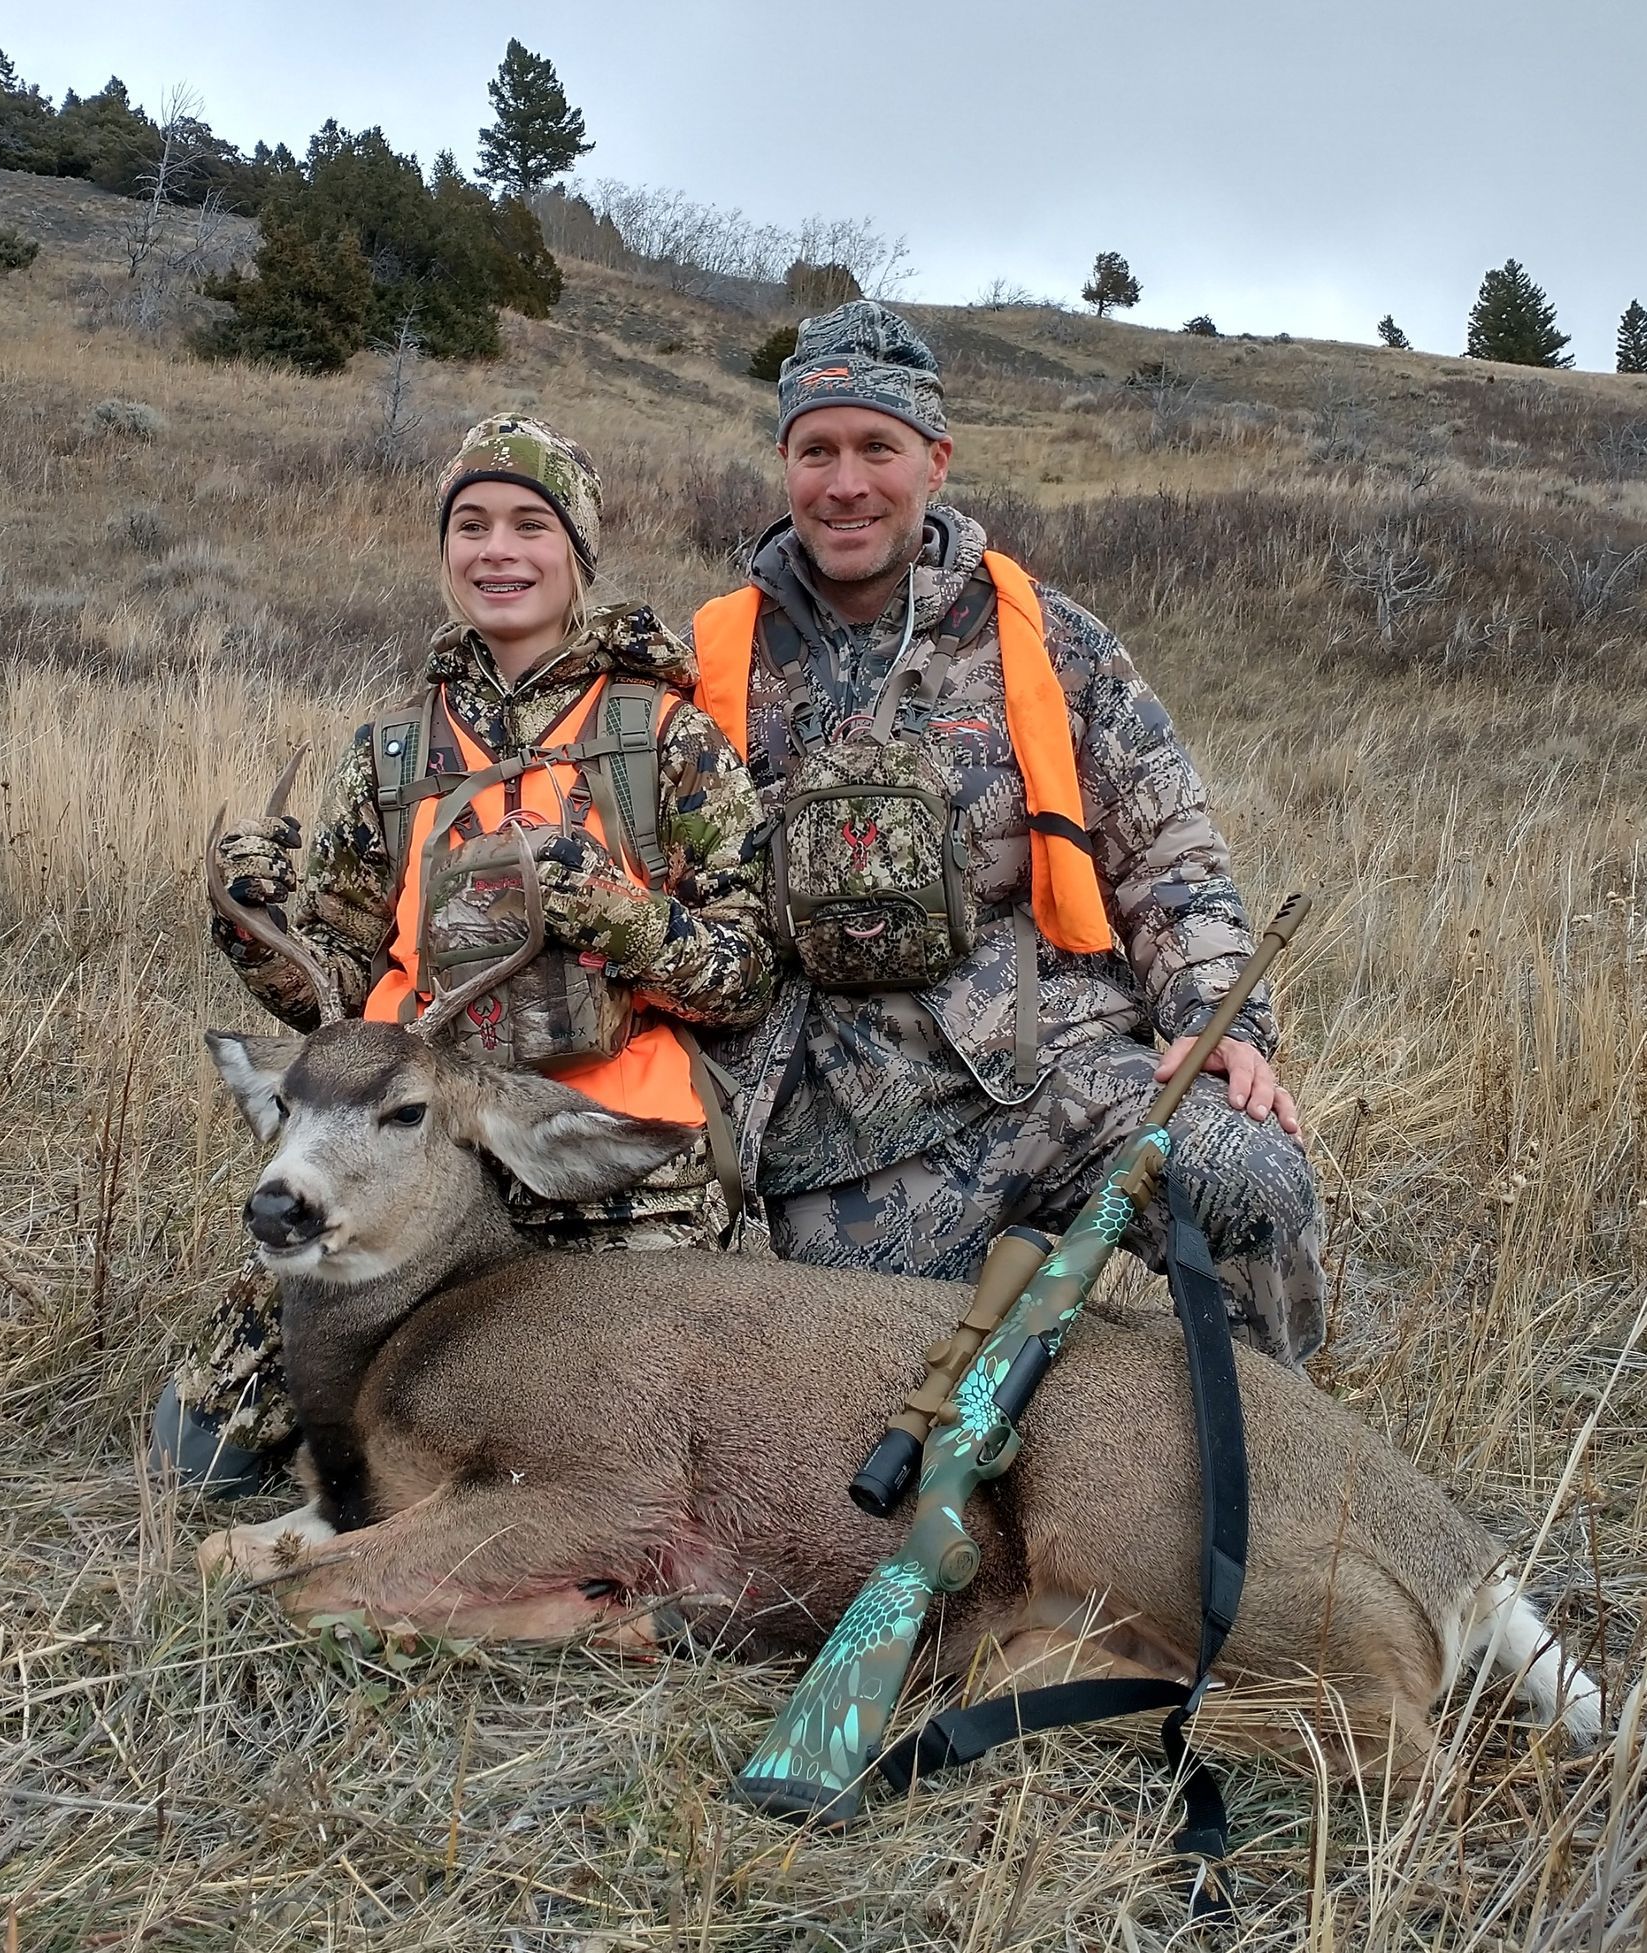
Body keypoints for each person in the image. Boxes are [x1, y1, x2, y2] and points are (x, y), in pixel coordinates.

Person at [688, 302, 1325, 1365]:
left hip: (1056, 1077)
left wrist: (1222, 1029)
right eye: (817, 451)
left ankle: (1272, 1471)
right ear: (786, 464)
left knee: (1251, 1175)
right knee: (855, 1418)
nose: (845, 483)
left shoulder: (1052, 641)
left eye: (876, 448)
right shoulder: (707, 658)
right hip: (827, 1127)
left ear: (935, 461)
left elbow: (1170, 853)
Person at [155, 415, 775, 1489]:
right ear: (446, 554)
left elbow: (747, 973)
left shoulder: (664, 738)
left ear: (576, 556)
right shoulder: (393, 753)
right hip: (408, 1144)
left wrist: (609, 912)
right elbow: (340, 998)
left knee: (593, 1451)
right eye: (472, 525)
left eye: (531, 526)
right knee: (196, 1466)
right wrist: (255, 927)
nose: (500, 550)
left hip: (610, 1154)